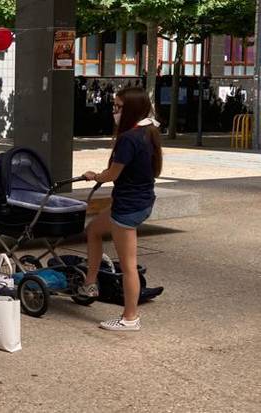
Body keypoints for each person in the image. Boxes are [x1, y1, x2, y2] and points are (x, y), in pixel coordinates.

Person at [78, 87, 163, 332]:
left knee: (128, 266)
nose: (114, 111)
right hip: (141, 202)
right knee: (93, 230)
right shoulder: (149, 131)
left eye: (118, 107)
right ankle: (90, 282)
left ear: (131, 109)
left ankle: (130, 318)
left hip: (127, 209)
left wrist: (95, 175)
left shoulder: (128, 138)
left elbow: (113, 174)